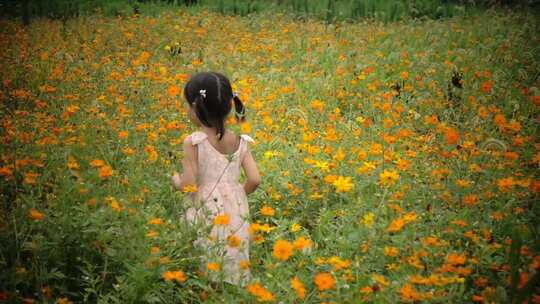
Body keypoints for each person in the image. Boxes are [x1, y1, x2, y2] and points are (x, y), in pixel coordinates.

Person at [170, 71, 261, 288]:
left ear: (196, 107)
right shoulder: (240, 141)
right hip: (235, 210)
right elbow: (255, 179)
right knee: (230, 254)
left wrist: (175, 180)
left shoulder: (194, 142)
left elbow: (189, 185)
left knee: (203, 257)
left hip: (204, 209)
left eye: (187, 104)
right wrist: (237, 193)